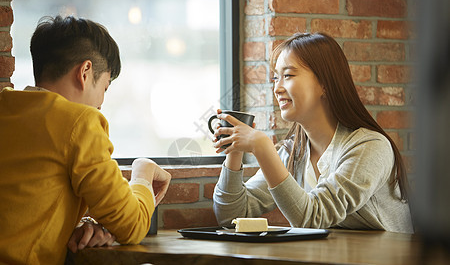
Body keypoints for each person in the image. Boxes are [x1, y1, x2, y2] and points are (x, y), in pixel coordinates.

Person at [0, 15, 171, 265]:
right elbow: (132, 225)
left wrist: (82, 223)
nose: (101, 102)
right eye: (105, 86)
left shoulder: (7, 106)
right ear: (85, 71)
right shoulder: (80, 122)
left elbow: (25, 207)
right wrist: (142, 173)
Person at [212, 32, 413, 233]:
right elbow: (230, 216)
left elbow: (313, 218)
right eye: (275, 78)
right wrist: (234, 148)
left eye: (288, 75)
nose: (277, 88)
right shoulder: (293, 153)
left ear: (325, 84)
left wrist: (262, 147)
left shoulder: (370, 147)